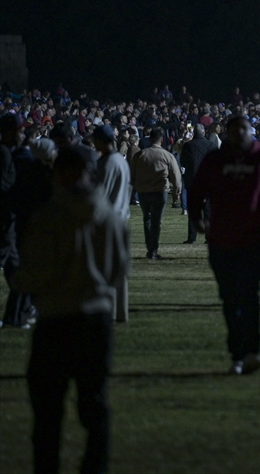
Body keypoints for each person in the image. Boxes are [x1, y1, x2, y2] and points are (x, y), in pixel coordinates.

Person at [18, 146, 128, 474]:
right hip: (95, 316)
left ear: (61, 172)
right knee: (94, 405)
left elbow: (34, 272)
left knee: (48, 413)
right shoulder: (108, 216)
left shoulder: (49, 216)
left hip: (55, 317)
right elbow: (118, 270)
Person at [189, 115, 260, 374]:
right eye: (234, 130)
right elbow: (197, 189)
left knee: (248, 294)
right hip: (221, 239)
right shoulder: (215, 160)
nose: (239, 135)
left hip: (255, 239)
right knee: (229, 297)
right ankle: (237, 351)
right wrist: (196, 217)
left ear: (252, 132)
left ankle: (250, 352)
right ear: (227, 133)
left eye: (244, 129)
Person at [92, 126, 132, 323]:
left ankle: (109, 311)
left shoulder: (107, 163)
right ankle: (120, 312)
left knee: (105, 269)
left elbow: (101, 194)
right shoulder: (120, 161)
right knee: (119, 271)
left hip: (109, 220)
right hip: (122, 218)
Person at [129, 127, 182, 260]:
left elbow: (132, 174)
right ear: (161, 140)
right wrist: (176, 192)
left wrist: (133, 189)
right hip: (160, 190)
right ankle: (153, 249)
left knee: (147, 218)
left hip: (144, 191)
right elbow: (176, 175)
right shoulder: (167, 155)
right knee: (156, 221)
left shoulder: (140, 155)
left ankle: (150, 247)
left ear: (150, 139)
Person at [179, 125, 217, 244]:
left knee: (194, 211)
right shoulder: (211, 145)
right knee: (208, 211)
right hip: (207, 181)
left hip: (193, 181)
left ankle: (192, 237)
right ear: (204, 132)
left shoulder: (188, 145)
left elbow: (183, 162)